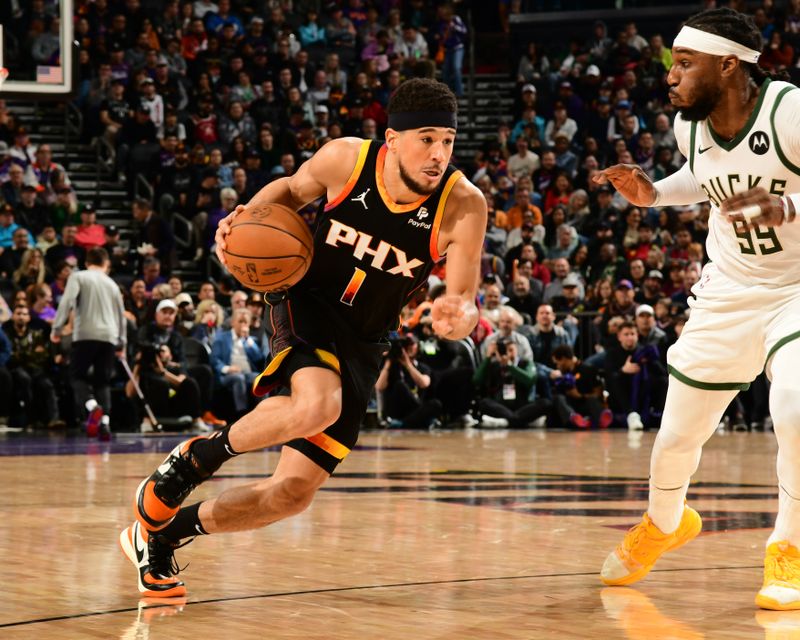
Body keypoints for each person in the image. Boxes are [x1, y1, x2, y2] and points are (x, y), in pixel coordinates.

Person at [120, 78, 487, 597]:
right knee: (317, 405)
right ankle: (189, 465)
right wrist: (242, 216)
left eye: (447, 140)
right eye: (426, 138)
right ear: (393, 139)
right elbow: (290, 191)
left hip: (365, 339)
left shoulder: (464, 204)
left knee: (291, 494)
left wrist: (459, 314)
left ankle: (160, 538)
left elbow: (465, 295)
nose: (438, 153)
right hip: (306, 301)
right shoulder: (346, 160)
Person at [595, 8, 800, 610]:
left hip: (796, 289)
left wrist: (786, 210)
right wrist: (655, 193)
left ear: (729, 64)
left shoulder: (788, 111)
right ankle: (664, 521)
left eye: (684, 63)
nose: (671, 75)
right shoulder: (691, 127)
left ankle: (788, 546)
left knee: (793, 407)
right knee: (678, 435)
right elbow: (701, 176)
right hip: (729, 290)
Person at [52, 247, 126, 437]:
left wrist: (57, 329)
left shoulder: (79, 277)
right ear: (106, 263)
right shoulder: (112, 284)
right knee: (103, 383)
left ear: (86, 262)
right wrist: (122, 343)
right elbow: (121, 316)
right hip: (109, 336)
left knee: (77, 376)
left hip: (85, 333)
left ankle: (92, 406)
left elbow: (67, 301)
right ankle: (105, 424)